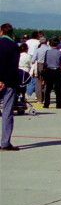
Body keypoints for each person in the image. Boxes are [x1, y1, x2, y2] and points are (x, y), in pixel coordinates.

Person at [0, 23, 20, 151]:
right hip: (9, 83)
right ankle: (5, 142)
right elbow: (13, 67)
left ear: (2, 31)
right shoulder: (13, 46)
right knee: (7, 112)